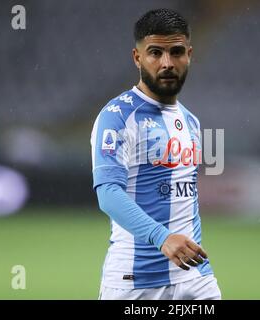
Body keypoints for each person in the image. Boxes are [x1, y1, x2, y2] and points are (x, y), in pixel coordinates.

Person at [90, 8, 221, 300]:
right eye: (155, 53)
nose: (167, 63)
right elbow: (108, 193)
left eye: (176, 52)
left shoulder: (191, 122)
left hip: (195, 278)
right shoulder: (118, 116)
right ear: (138, 58)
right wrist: (162, 238)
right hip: (135, 282)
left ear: (189, 54)